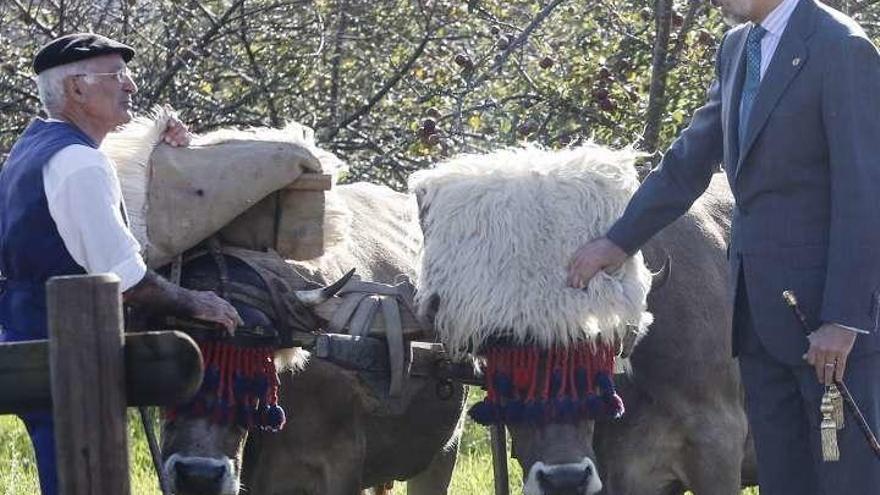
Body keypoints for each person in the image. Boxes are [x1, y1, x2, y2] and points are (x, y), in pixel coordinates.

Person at [567, 0, 880, 493]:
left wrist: (842, 320)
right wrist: (617, 240)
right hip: (756, 322)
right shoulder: (738, 48)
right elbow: (689, 161)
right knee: (784, 481)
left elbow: (865, 195)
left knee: (845, 483)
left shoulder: (841, 47)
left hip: (827, 329)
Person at [0, 33, 242, 494]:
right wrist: (197, 302)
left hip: (26, 336)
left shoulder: (34, 149)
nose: (130, 86)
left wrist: (167, 150)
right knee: (83, 478)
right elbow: (127, 280)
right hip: (71, 354)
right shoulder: (79, 164)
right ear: (76, 89)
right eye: (116, 76)